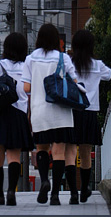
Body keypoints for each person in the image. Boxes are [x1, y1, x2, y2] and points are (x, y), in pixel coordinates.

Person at [22, 23, 80, 205]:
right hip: (61, 112)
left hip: (40, 111)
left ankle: (44, 181)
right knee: (59, 152)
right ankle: (55, 194)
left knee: (42, 149)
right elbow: (75, 82)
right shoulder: (63, 58)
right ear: (57, 40)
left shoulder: (30, 59)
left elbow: (26, 87)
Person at [0, 32, 34, 206]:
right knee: (14, 157)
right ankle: (12, 191)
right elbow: (30, 92)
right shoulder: (27, 66)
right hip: (18, 115)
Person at [70, 29, 111, 202]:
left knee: (71, 151)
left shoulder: (69, 63)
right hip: (89, 111)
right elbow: (110, 75)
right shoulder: (97, 65)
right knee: (86, 152)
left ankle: (73, 190)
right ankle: (84, 189)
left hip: (72, 110)